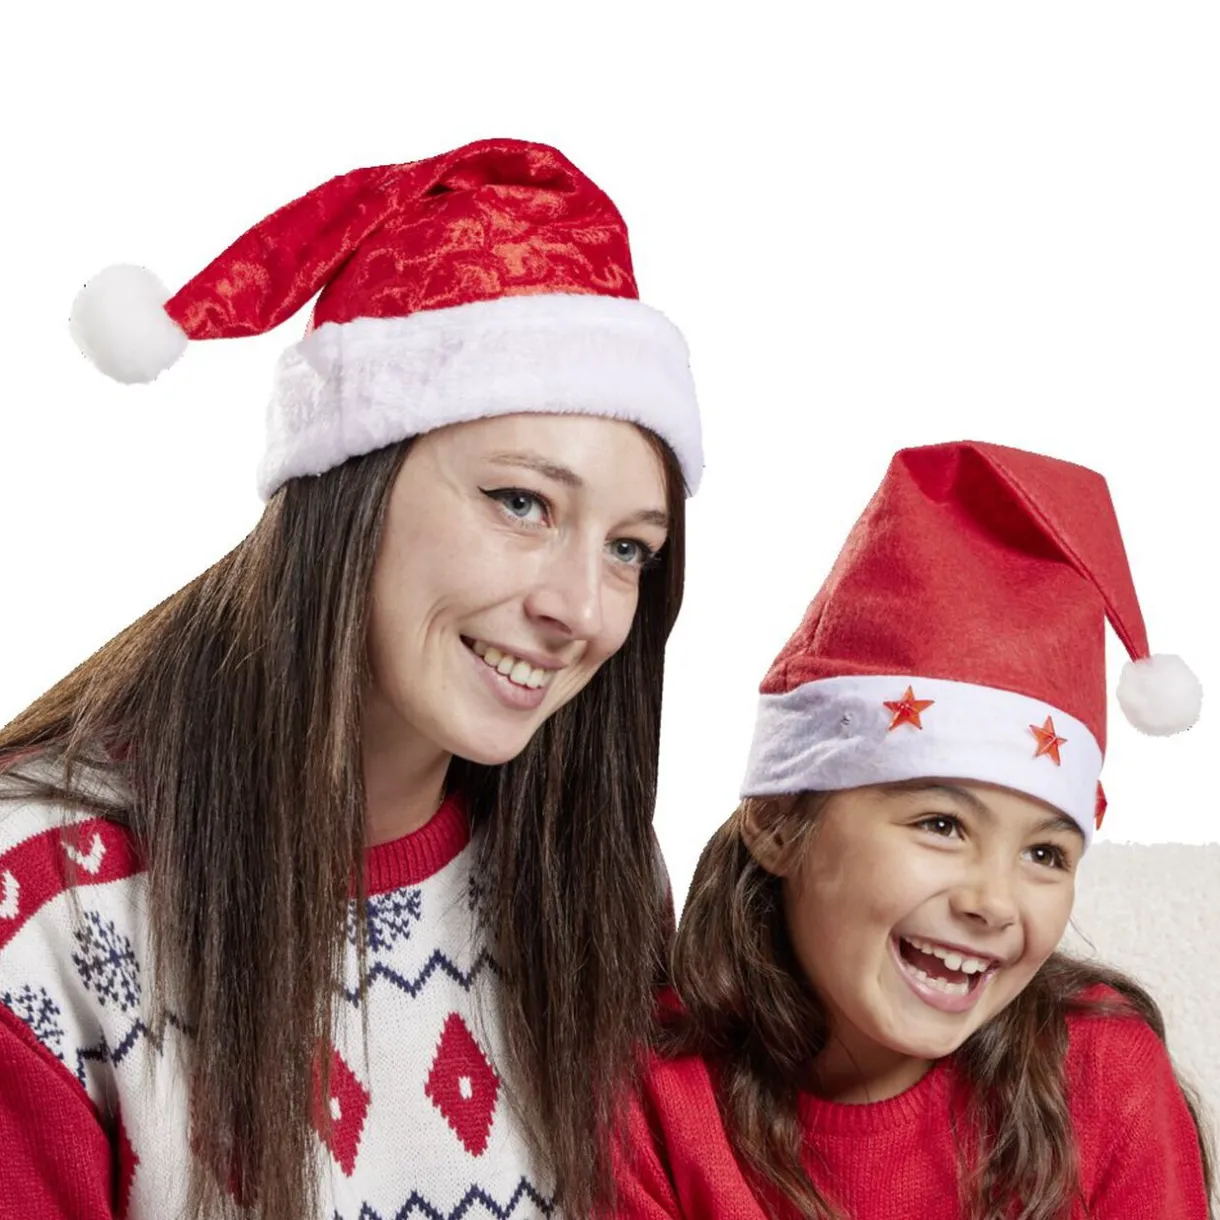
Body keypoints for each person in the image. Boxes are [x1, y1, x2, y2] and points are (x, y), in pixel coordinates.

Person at [0, 137, 702, 1220]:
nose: (583, 609)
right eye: (521, 502)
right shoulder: (45, 903)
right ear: (350, 482)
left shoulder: (590, 870)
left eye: (628, 549)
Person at [611, 441, 1214, 1219]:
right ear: (779, 822)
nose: (993, 902)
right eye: (942, 824)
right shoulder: (652, 1097)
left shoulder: (1104, 1076)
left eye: (1044, 852)